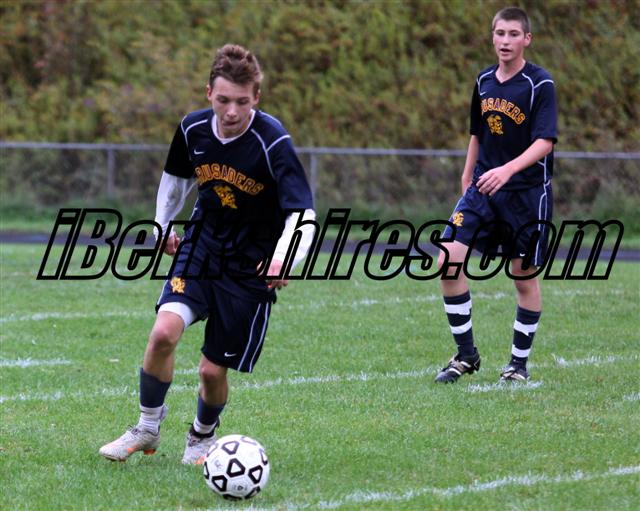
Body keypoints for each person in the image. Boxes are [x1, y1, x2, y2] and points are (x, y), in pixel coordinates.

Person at [99, 44, 316, 463]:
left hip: (251, 264)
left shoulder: (273, 141)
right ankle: (146, 427)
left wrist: (286, 256)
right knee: (163, 333)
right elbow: (175, 180)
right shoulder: (192, 129)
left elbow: (302, 211)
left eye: (242, 101)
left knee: (211, 371)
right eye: (223, 100)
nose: (231, 111)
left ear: (256, 97)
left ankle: (201, 436)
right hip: (202, 246)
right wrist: (163, 226)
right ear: (208, 93)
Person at [434, 7, 557, 384]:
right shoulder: (484, 80)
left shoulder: (539, 84)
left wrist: (508, 170)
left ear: (527, 39)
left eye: (513, 34)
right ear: (492, 37)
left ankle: (517, 365)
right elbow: (478, 133)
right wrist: (467, 174)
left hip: (525, 193)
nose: (505, 41)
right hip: (484, 188)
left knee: (523, 277)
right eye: (500, 33)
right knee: (447, 259)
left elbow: (545, 141)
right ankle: (466, 355)